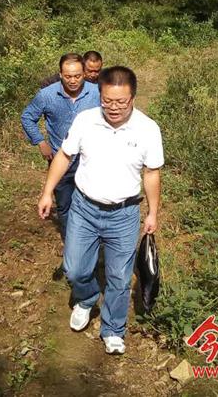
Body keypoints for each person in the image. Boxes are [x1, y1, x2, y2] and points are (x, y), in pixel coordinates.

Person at [37, 66, 164, 354]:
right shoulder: (86, 121)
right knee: (74, 269)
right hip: (84, 208)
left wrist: (153, 212)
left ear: (133, 98)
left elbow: (152, 173)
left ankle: (113, 329)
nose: (113, 107)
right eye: (107, 101)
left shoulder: (147, 129)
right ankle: (86, 298)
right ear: (99, 96)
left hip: (124, 214)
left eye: (121, 101)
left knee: (119, 277)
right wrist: (47, 192)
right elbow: (64, 156)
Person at [21, 53, 101, 241]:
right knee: (65, 205)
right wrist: (40, 141)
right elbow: (27, 117)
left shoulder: (97, 93)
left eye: (77, 76)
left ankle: (92, 241)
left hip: (90, 161)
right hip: (60, 161)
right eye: (68, 76)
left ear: (84, 73)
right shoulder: (47, 95)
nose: (73, 81)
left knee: (92, 204)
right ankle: (71, 242)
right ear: (60, 74)